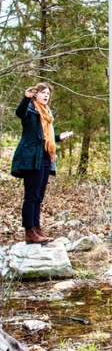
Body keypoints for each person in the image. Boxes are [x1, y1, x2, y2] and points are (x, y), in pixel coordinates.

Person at [11, 83, 73, 244]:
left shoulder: (47, 113)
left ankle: (37, 228)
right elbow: (19, 113)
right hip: (32, 158)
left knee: (38, 197)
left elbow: (44, 137)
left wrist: (58, 137)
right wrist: (25, 98)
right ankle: (29, 231)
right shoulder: (30, 111)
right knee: (31, 196)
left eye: (48, 93)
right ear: (35, 95)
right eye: (42, 93)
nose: (46, 95)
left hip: (45, 158)